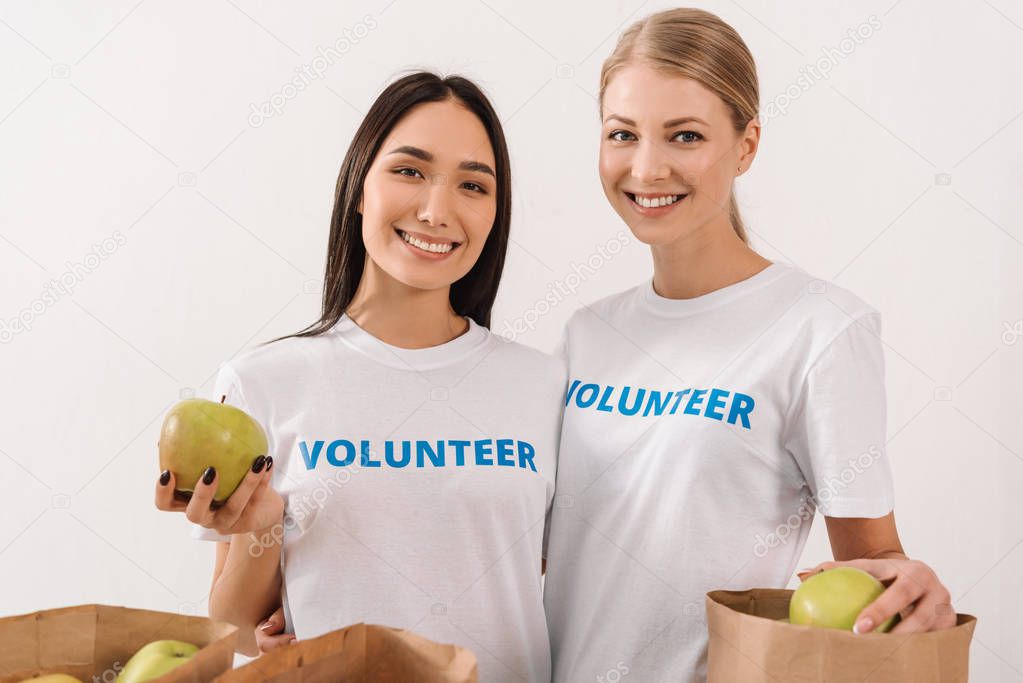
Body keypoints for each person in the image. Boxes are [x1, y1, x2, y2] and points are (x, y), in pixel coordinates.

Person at [541, 8, 955, 682]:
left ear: (745, 144)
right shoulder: (587, 334)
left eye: (684, 135)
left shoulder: (820, 329)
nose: (646, 167)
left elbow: (871, 569)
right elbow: (543, 551)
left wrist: (911, 588)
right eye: (623, 134)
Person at [155, 71, 564, 683]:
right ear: (359, 189)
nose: (436, 209)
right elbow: (238, 630)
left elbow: (560, 586)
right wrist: (264, 529)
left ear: (494, 212)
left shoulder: (543, 387)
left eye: (472, 185)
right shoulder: (264, 381)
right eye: (409, 171)